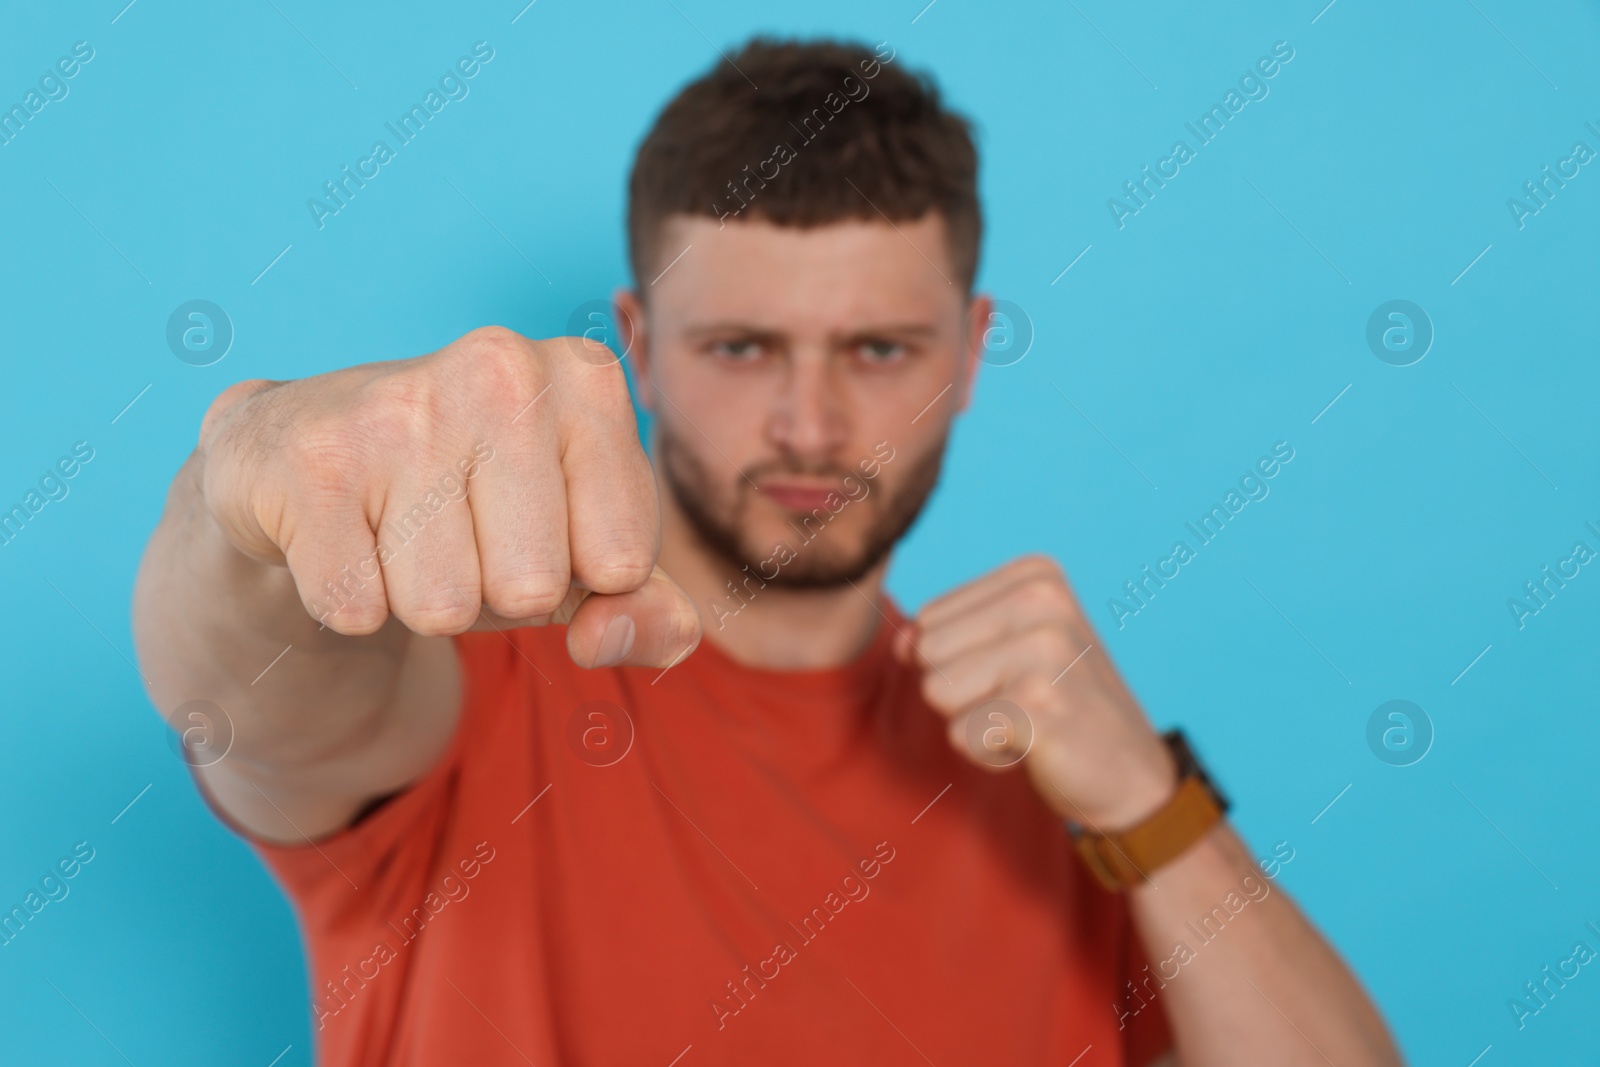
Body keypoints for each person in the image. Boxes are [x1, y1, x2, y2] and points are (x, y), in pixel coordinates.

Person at [132, 38, 1402, 1067]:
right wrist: (250, 480)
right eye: (741, 346)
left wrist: (1153, 806)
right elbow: (240, 688)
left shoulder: (1070, 782)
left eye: (878, 350)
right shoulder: (464, 668)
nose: (808, 423)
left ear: (969, 352)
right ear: (638, 340)